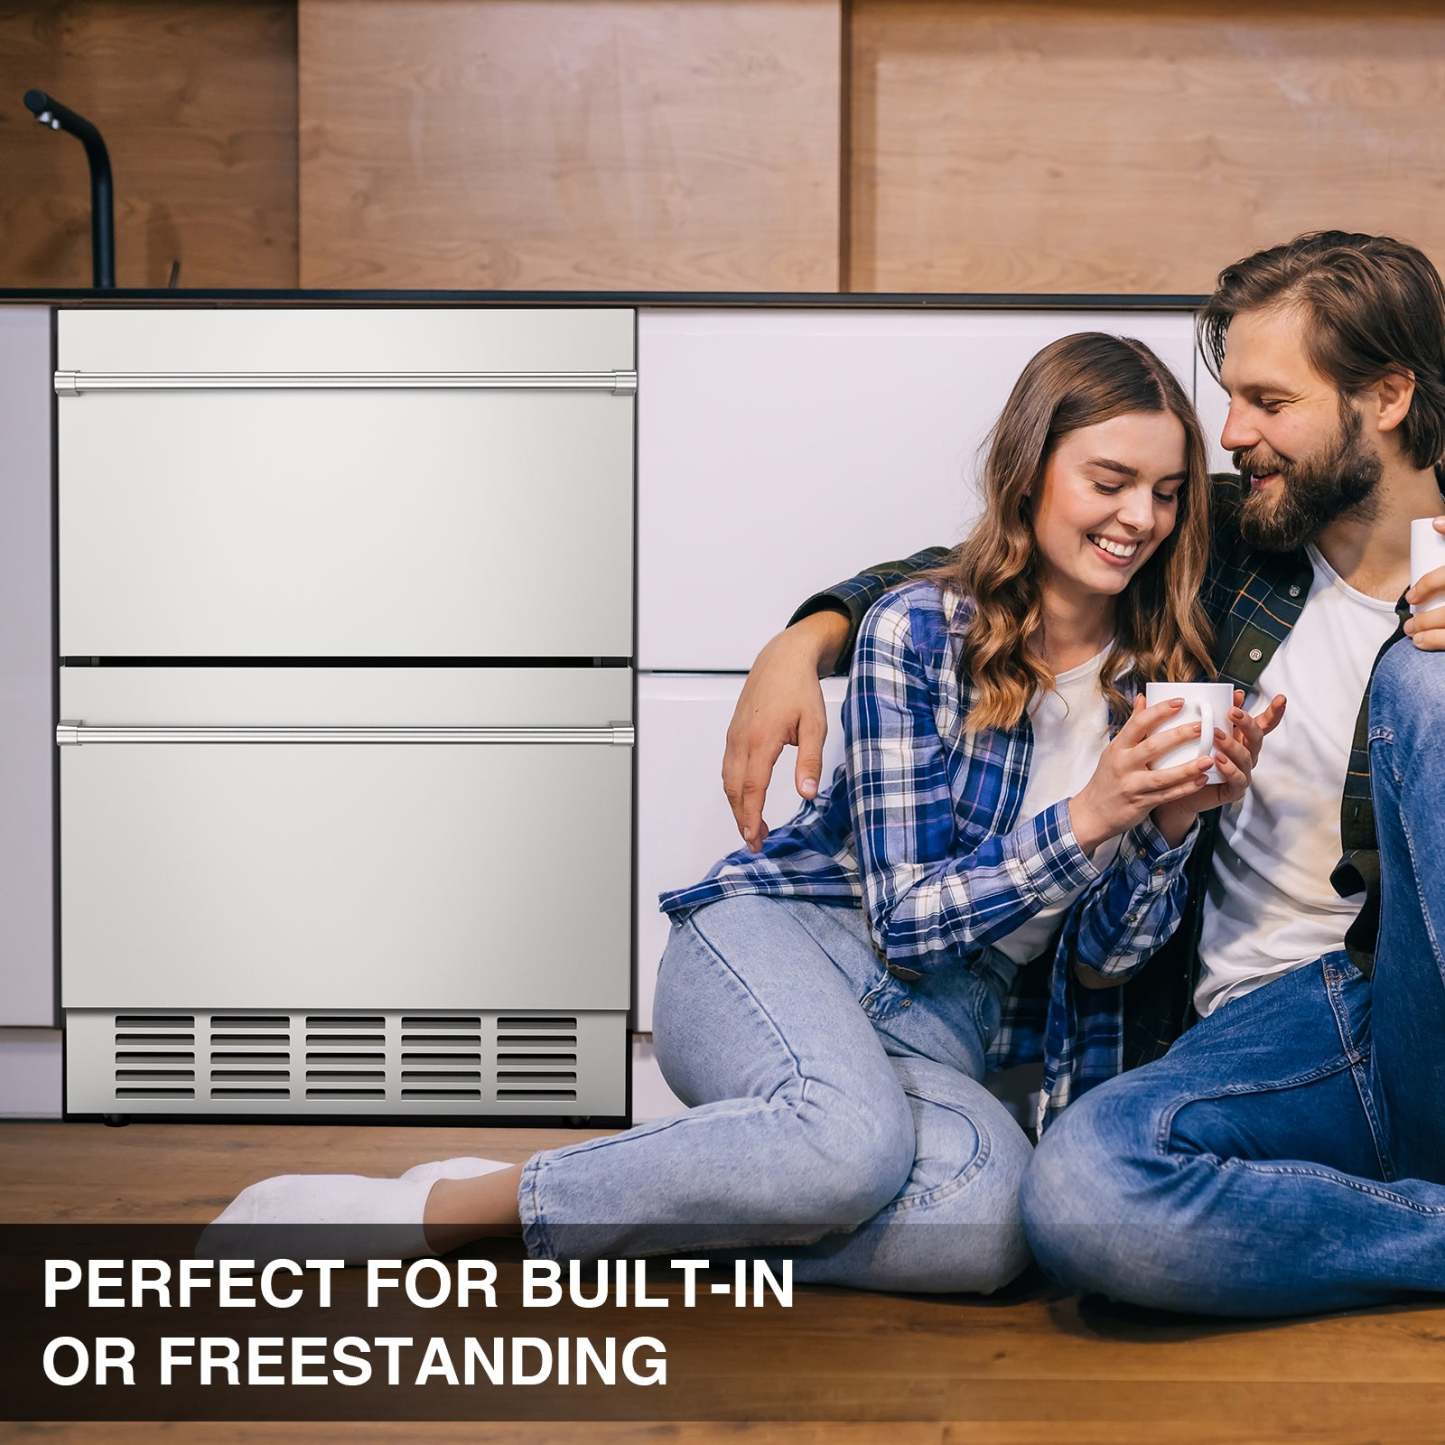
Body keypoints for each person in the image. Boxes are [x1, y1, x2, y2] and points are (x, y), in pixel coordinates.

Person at [208, 333, 1272, 1291]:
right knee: (848, 1148)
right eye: (1109, 479)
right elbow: (904, 918)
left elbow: (1101, 965)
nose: (1140, 516)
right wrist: (1091, 811)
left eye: (1168, 492)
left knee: (990, 1230)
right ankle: (453, 1209)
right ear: (1030, 470)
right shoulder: (919, 631)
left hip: (944, 1029)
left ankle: (685, 1185)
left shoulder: (1159, 680)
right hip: (786, 946)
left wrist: (1171, 824)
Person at [727, 231, 1445, 1317]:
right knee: (1079, 1189)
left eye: (1264, 399)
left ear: (1384, 395)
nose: (1234, 433)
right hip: (1272, 1030)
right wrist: (814, 628)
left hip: (1413, 994)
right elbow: (1017, 547)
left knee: (1428, 688)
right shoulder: (1226, 540)